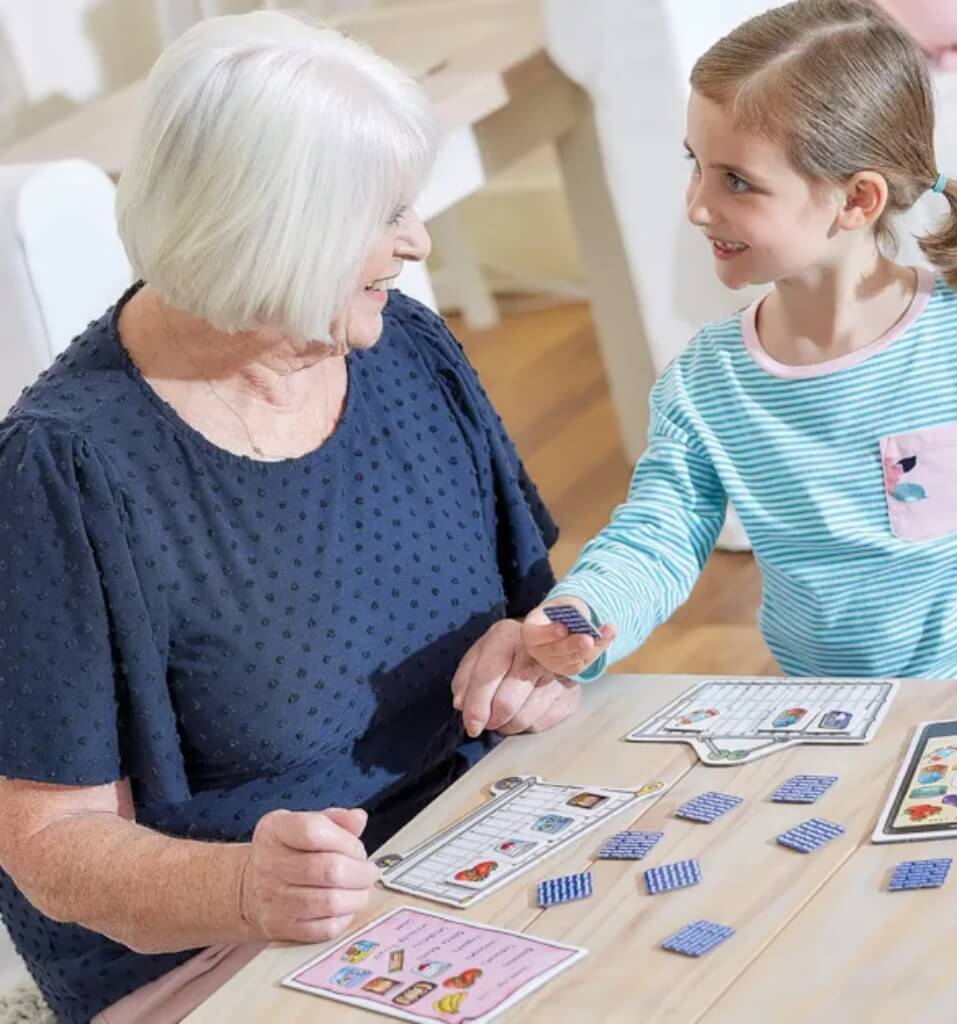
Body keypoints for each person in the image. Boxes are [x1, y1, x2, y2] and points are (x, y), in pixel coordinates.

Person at [0, 12, 578, 1024]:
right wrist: (242, 890)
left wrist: (529, 662)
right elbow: (49, 847)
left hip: (470, 837)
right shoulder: (65, 469)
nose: (418, 239)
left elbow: (537, 613)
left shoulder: (406, 345)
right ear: (276, 224)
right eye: (385, 212)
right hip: (228, 945)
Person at [454, 0, 957, 731]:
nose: (696, 206)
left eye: (737, 182)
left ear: (856, 200)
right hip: (832, 715)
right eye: (696, 166)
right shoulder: (709, 382)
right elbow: (660, 529)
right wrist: (587, 609)